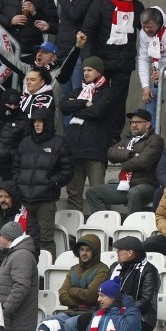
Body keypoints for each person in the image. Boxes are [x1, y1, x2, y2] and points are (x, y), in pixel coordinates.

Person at [81, 0, 145, 141]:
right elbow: (88, 33)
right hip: (100, 65)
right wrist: (88, 62)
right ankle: (95, 137)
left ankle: (113, 139)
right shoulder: (100, 4)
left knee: (118, 104)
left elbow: (148, 30)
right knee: (99, 101)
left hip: (124, 65)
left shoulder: (138, 7)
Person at [13, 108, 73, 257]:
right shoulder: (25, 142)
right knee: (21, 239)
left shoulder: (59, 143)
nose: (37, 125)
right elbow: (15, 166)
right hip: (24, 200)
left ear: (48, 123)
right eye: (34, 121)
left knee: (45, 240)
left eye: (40, 121)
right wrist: (18, 182)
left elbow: (68, 170)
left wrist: (52, 182)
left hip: (46, 201)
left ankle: (46, 275)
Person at [85, 108, 164, 215]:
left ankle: (130, 228)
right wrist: (131, 154)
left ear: (148, 124)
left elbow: (143, 162)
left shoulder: (155, 140)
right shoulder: (127, 138)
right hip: (125, 184)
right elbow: (111, 154)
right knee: (92, 192)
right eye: (132, 122)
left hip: (146, 185)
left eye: (138, 122)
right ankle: (105, 225)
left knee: (134, 192)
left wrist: (123, 159)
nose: (133, 125)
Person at [61, 56, 114, 213]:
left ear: (99, 72)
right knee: (73, 193)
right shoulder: (79, 91)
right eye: (84, 70)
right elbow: (64, 106)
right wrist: (83, 103)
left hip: (95, 151)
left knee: (98, 192)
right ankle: (72, 234)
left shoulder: (107, 92)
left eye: (89, 70)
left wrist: (75, 107)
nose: (85, 73)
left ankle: (103, 227)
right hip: (73, 150)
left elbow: (97, 111)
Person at [0, 181, 40, 286]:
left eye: (7, 196)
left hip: (9, 280)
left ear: (14, 198)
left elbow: (33, 251)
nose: (3, 200)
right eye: (0, 196)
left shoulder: (28, 220)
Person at [107, 236, 159, 331]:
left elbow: (144, 300)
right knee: (79, 322)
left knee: (108, 324)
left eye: (120, 250)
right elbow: (105, 291)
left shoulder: (149, 270)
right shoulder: (115, 266)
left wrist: (122, 311)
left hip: (141, 317)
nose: (117, 253)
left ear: (130, 253)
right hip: (113, 312)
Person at [57, 234, 109, 315]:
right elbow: (62, 296)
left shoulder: (103, 270)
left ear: (95, 251)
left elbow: (90, 296)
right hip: (70, 312)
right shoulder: (73, 269)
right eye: (82, 249)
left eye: (88, 250)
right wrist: (80, 304)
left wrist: (71, 290)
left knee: (68, 324)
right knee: (45, 323)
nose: (84, 253)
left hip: (90, 314)